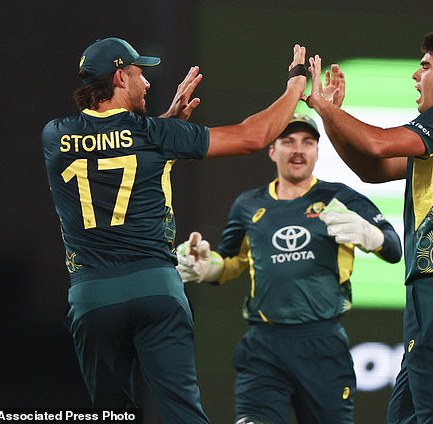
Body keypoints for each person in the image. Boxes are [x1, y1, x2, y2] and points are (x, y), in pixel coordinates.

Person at [41, 37, 308, 423]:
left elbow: (109, 145)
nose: (146, 83)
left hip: (92, 296)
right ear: (119, 77)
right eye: (138, 74)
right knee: (183, 415)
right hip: (155, 289)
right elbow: (254, 136)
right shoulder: (155, 135)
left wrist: (163, 123)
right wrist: (295, 87)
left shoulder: (54, 135)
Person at [305, 30, 433, 423]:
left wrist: (323, 106)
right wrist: (329, 118)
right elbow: (372, 169)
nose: (416, 77)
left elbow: (378, 143)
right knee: (409, 413)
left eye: (426, 66)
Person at [175, 113, 402, 424]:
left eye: (308, 142)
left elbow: (394, 248)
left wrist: (369, 235)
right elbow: (228, 263)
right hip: (264, 348)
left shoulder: (339, 197)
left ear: (318, 152)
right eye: (288, 141)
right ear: (272, 150)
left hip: (323, 346)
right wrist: (203, 267)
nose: (298, 150)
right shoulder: (249, 204)